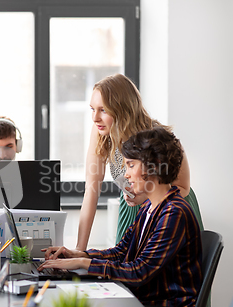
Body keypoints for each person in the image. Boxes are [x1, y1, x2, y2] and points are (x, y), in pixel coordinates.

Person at [39, 128, 202, 307]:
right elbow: (121, 252)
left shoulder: (174, 213)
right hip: (145, 302)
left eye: (131, 165)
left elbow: (139, 271)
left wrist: (84, 264)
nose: (127, 175)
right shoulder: (149, 207)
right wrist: (80, 255)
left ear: (154, 166)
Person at [76, 74, 202, 250]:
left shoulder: (159, 137)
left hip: (169, 208)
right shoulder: (101, 132)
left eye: (103, 110)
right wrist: (78, 251)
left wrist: (145, 197)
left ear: (122, 109)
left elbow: (183, 187)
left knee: (152, 272)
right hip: (131, 208)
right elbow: (91, 190)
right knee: (123, 268)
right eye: (92, 109)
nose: (95, 118)